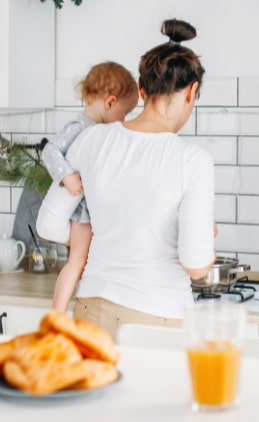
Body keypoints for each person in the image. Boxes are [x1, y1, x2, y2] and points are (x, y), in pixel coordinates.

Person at [37, 18, 216, 336]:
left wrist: (110, 232)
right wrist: (207, 237)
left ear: (143, 91)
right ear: (192, 92)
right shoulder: (193, 161)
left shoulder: (91, 140)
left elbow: (48, 224)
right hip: (158, 318)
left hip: (91, 310)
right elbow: (196, 265)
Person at [38, 61, 139, 314]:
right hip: (82, 212)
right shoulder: (79, 128)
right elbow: (50, 151)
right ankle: (57, 313)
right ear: (110, 103)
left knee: (88, 261)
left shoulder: (102, 132)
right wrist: (67, 176)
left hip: (96, 210)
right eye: (124, 113)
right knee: (77, 261)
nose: (123, 120)